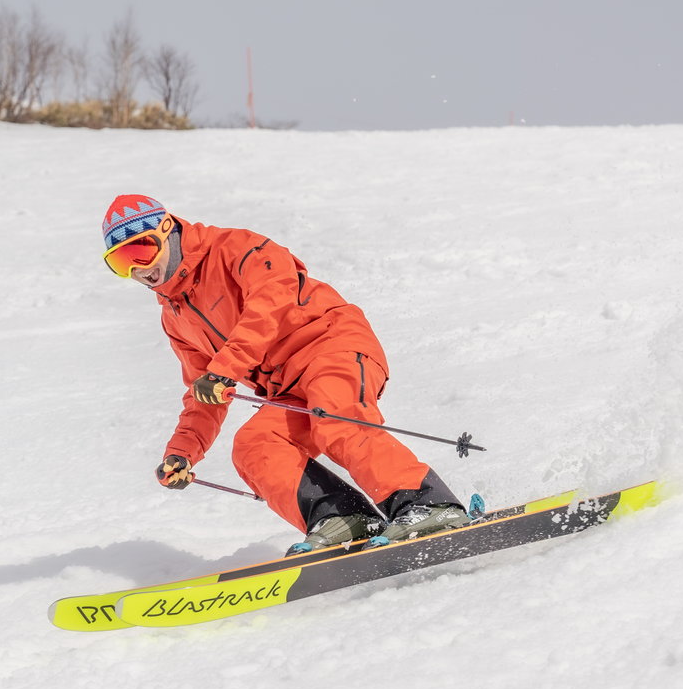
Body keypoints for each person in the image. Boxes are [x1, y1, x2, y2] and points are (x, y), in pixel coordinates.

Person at [101, 194, 468, 554]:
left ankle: (428, 504)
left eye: (141, 250)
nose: (137, 268)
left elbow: (272, 301)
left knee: (336, 422)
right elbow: (203, 392)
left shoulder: (236, 248)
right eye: (121, 262)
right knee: (255, 444)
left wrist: (225, 370)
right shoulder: (175, 317)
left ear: (167, 228)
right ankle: (343, 519)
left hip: (331, 346)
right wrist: (182, 452)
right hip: (286, 389)